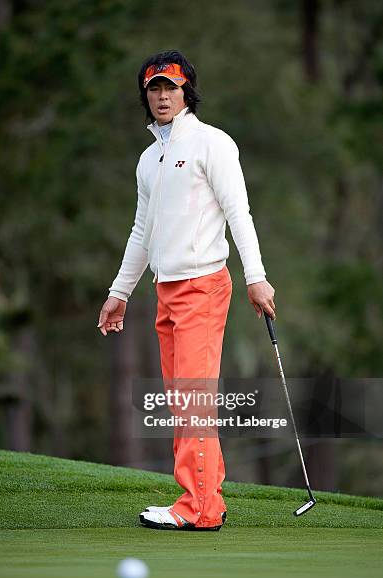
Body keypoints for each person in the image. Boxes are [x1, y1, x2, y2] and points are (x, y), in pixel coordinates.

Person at [97, 49, 276, 531]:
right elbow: (142, 231)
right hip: (166, 289)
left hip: (203, 286)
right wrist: (121, 292)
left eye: (170, 88)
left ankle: (197, 508)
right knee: (183, 400)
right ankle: (207, 499)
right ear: (145, 94)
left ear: (186, 91)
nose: (161, 96)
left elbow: (239, 213)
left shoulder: (211, 143)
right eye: (153, 88)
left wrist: (256, 277)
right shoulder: (149, 159)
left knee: (193, 399)